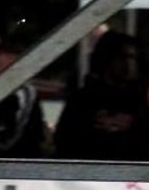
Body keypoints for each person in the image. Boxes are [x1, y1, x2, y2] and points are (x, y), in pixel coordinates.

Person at [55, 30, 142, 160]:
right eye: (122, 57)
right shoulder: (83, 99)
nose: (128, 64)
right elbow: (65, 140)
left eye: (132, 57)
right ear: (107, 58)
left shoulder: (140, 97)